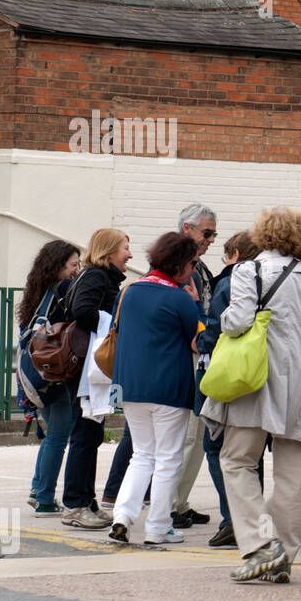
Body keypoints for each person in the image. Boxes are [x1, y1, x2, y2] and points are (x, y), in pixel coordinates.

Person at [201, 207, 301, 583]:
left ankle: (262, 546)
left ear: (263, 235)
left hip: (258, 381)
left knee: (236, 460)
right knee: (290, 480)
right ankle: (284, 556)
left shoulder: (250, 270)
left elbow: (238, 321)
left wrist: (226, 321)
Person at [108, 233, 203, 545]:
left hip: (131, 385)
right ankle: (158, 527)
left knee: (142, 454)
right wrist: (197, 305)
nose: (192, 270)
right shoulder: (179, 298)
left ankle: (122, 517)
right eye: (192, 263)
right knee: (168, 458)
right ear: (179, 264)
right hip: (169, 387)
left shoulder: (130, 290)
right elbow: (197, 341)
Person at [58, 228, 132, 529]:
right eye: (126, 247)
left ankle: (86, 501)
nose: (129, 254)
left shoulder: (99, 277)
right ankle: (75, 505)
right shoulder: (96, 276)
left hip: (91, 369)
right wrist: (111, 327)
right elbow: (82, 311)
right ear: (110, 250)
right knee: (84, 436)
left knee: (91, 435)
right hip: (86, 369)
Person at [198, 231, 265, 548]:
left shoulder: (229, 282)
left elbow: (217, 328)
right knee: (252, 453)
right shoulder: (268, 280)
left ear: (235, 254)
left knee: (216, 445)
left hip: (227, 372)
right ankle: (251, 516)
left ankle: (233, 518)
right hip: (258, 371)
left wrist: (200, 342)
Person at [19, 239, 81, 515]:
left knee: (52, 435)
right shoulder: (64, 290)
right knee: (58, 435)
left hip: (38, 372)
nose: (77, 270)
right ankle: (44, 497)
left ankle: (37, 488)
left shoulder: (38, 292)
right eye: (73, 265)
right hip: (56, 373)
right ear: (58, 266)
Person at [169, 202, 218, 530]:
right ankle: (171, 503)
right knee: (188, 436)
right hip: (185, 360)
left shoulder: (197, 268)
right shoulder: (177, 269)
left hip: (198, 359)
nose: (211, 239)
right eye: (207, 232)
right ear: (187, 229)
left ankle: (179, 501)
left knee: (197, 435)